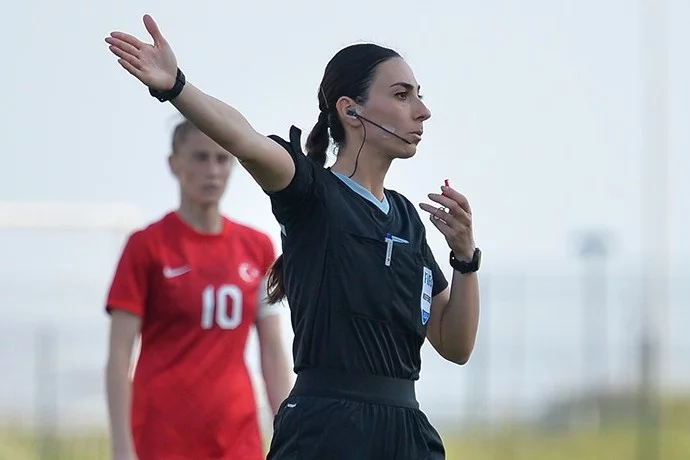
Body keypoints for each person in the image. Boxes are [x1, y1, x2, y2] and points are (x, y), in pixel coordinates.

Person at [105, 14, 482, 460]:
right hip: (326, 429)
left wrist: (465, 259)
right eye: (402, 95)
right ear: (351, 110)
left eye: (419, 95)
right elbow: (243, 138)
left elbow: (455, 346)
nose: (422, 110)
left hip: (405, 430)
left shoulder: (406, 219)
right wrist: (176, 86)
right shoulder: (310, 192)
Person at [104, 117, 293, 460]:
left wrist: (291, 432)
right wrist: (121, 446)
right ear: (174, 163)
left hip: (236, 437)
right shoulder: (145, 247)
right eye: (200, 157)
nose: (212, 170)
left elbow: (272, 350)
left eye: (222, 159)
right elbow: (119, 355)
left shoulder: (257, 247)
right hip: (162, 436)